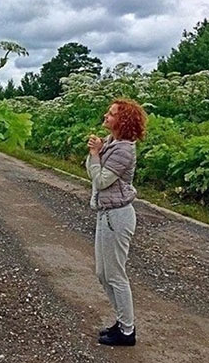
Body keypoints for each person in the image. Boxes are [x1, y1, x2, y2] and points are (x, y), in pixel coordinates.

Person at [86, 98, 147, 346]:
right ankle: (122, 322)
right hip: (106, 213)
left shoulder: (124, 150)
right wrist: (98, 150)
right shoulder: (113, 142)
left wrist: (94, 155)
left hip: (118, 216)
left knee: (116, 275)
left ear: (122, 121)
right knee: (103, 273)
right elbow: (95, 171)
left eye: (110, 114)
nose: (105, 116)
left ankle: (127, 331)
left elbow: (100, 181)